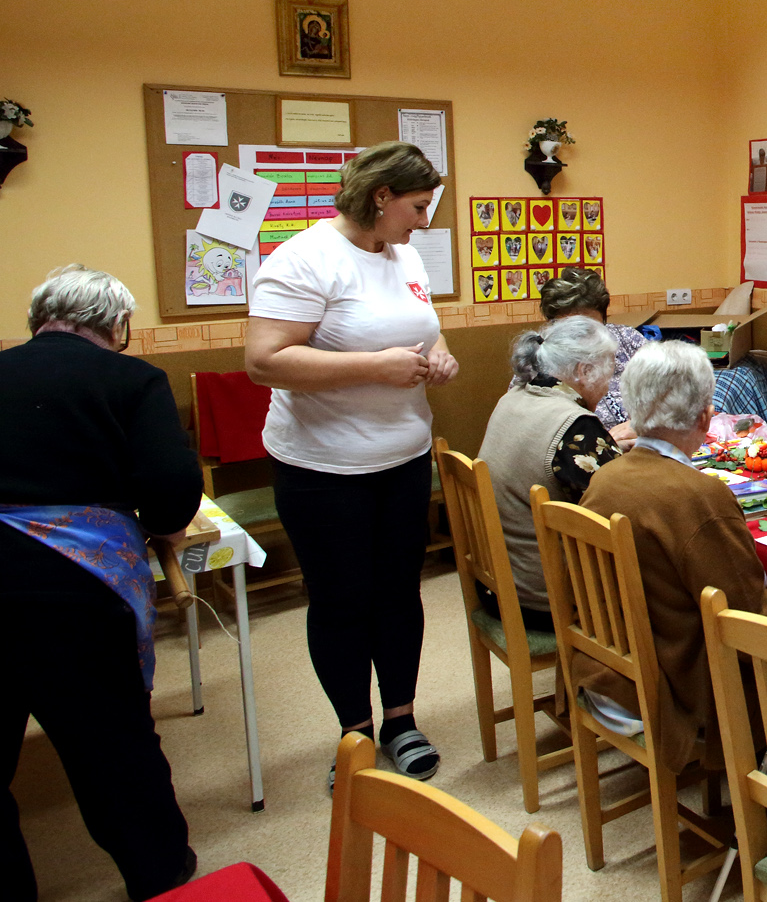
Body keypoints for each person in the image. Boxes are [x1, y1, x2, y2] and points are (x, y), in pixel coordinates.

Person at [245, 140, 456, 783]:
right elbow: (264, 361)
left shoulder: (404, 254)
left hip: (402, 458)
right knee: (341, 602)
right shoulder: (304, 259)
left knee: (398, 594)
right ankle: (355, 734)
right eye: (417, 207)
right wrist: (375, 366)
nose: (424, 221)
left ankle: (401, 720)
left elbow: (425, 325)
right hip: (322, 469)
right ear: (380, 197)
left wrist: (439, 353)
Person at [0, 266, 201, 901]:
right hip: (73, 590)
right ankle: (160, 870)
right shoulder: (132, 379)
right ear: (117, 326)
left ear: (39, 321)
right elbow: (171, 498)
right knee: (111, 741)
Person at [573, 341, 767, 773]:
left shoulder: (605, 477)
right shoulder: (699, 497)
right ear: (706, 416)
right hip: (669, 686)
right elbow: (750, 624)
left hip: (603, 667)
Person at [479, 316, 620, 630]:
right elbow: (620, 505)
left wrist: (608, 445)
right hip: (544, 597)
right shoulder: (577, 427)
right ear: (583, 371)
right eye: (610, 369)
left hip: (501, 583)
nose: (611, 382)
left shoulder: (516, 396)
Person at [527, 268, 648, 444]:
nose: (582, 338)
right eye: (571, 329)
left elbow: (676, 395)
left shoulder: (628, 340)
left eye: (590, 327)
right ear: (553, 326)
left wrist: (642, 426)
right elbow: (537, 435)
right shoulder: (539, 357)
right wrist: (606, 446)